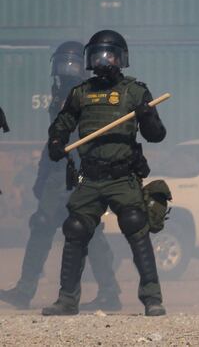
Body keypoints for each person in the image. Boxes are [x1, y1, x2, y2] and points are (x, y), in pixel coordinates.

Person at [43, 31, 167, 316]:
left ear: (120, 58)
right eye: (97, 55)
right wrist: (56, 141)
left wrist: (147, 116)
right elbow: (61, 124)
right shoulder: (81, 93)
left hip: (122, 177)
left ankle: (152, 298)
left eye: (108, 55)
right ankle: (67, 299)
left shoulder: (135, 92)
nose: (102, 61)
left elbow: (157, 135)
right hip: (90, 176)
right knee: (75, 229)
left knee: (136, 225)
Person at [0, 42, 120, 311]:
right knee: (47, 226)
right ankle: (26, 288)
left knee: (84, 231)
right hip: (58, 172)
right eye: (63, 65)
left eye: (72, 65)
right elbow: (53, 141)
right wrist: (43, 176)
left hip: (79, 173)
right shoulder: (59, 97)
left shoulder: (91, 97)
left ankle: (108, 293)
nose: (66, 70)